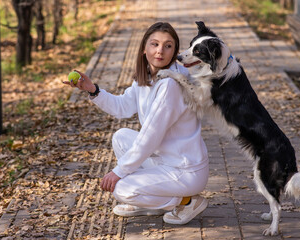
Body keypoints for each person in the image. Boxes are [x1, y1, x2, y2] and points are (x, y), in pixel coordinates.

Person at [63, 22, 209, 225]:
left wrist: (118, 171)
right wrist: (92, 90)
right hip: (165, 160)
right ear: (144, 48)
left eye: (168, 46)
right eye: (154, 44)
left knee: (121, 188)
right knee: (121, 136)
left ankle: (187, 201)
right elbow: (122, 107)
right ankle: (150, 202)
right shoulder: (148, 77)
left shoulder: (170, 84)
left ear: (175, 51)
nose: (160, 51)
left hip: (185, 170)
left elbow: (150, 136)